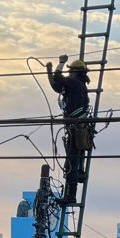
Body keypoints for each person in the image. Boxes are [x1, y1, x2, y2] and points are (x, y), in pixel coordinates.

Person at [47, 55, 94, 204]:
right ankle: (80, 173)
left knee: (71, 163)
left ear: (75, 72)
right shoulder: (77, 84)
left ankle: (71, 195)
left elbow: (59, 79)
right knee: (76, 160)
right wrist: (49, 72)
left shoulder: (74, 83)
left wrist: (60, 64)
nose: (70, 74)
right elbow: (57, 87)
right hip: (79, 128)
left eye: (71, 72)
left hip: (76, 128)